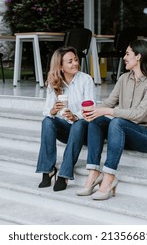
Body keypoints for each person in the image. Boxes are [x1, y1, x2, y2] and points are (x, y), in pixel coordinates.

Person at [77, 39, 147, 200]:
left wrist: (107, 111)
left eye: (127, 54)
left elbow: (138, 114)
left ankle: (109, 176)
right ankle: (93, 173)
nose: (124, 57)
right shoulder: (124, 78)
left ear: (138, 56)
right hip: (127, 132)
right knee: (96, 121)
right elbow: (108, 103)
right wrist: (93, 111)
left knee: (116, 121)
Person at [36, 46, 95, 191]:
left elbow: (91, 108)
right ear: (60, 66)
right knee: (47, 121)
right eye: (70, 61)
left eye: (75, 59)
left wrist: (75, 116)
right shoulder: (54, 82)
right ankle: (48, 169)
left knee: (79, 124)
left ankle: (65, 173)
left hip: (84, 130)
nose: (75, 63)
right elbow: (46, 111)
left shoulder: (86, 80)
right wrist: (53, 110)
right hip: (67, 129)